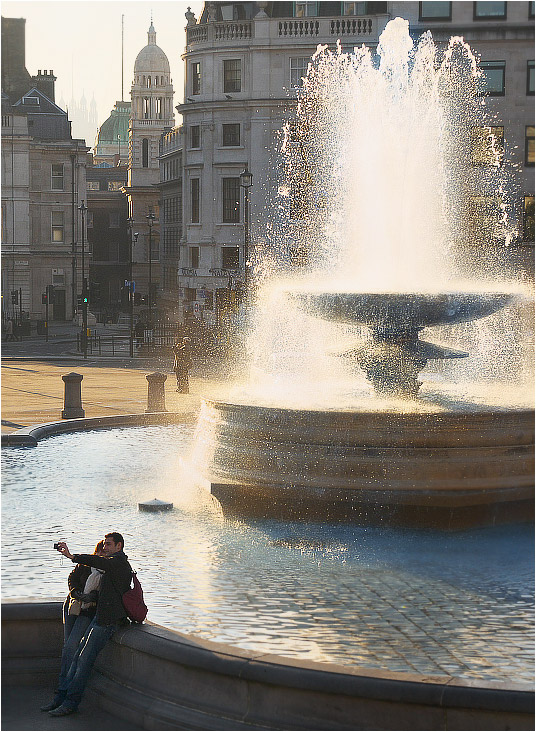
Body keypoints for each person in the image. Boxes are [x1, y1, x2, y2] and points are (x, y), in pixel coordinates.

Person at [42, 532, 132, 717]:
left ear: (119, 546)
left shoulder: (119, 563)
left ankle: (70, 703)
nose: (105, 547)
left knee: (83, 661)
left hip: (108, 621)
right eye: (104, 544)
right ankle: (62, 697)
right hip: (100, 618)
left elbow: (100, 563)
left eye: (108, 544)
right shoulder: (110, 563)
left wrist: (72, 556)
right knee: (77, 658)